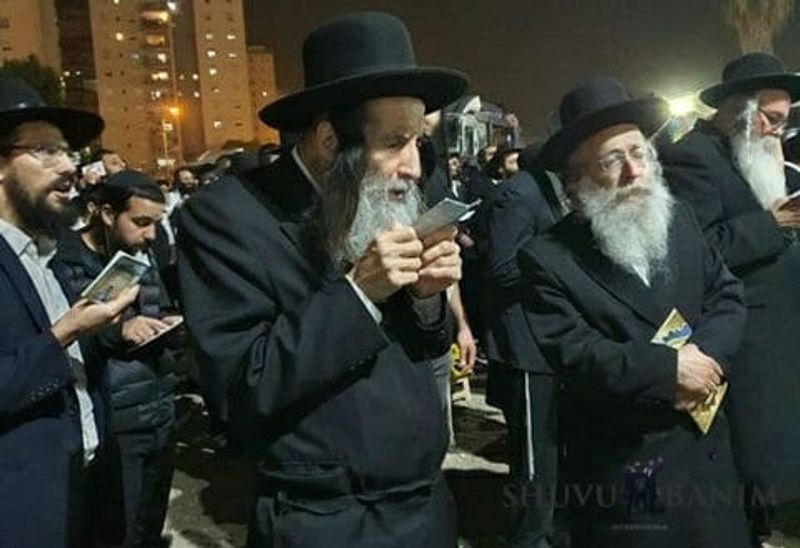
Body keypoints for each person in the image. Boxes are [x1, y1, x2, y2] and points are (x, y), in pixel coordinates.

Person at [177, 12, 468, 547]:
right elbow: (241, 389)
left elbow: (419, 350)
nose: (412, 167)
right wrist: (359, 293)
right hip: (325, 520)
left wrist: (428, 301)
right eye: (394, 142)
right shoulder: (227, 217)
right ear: (330, 140)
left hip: (425, 507)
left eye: (418, 142)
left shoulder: (386, 197)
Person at [518, 76, 750, 548]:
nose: (633, 172)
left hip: (709, 458)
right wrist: (669, 371)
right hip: (629, 473)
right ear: (578, 179)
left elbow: (726, 294)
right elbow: (576, 353)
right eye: (612, 160)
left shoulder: (679, 219)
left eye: (639, 153)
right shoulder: (547, 258)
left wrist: (706, 360)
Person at [660, 52, 800, 544]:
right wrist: (771, 225)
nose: (778, 131)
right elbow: (695, 250)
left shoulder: (759, 152)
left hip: (782, 335)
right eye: (772, 119)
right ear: (743, 111)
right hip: (746, 341)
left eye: (784, 120)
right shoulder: (692, 157)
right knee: (751, 457)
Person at [0, 76, 138, 546]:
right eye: (45, 151)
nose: (69, 167)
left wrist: (103, 329)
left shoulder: (51, 255)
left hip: (86, 493)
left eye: (68, 152)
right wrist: (66, 331)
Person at [56, 170, 178, 548]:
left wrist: (168, 322)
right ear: (107, 214)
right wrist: (119, 329)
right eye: (141, 222)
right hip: (114, 420)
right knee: (116, 528)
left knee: (150, 521)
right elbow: (64, 335)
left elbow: (160, 304)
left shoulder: (145, 254)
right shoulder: (65, 261)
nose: (152, 234)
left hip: (159, 407)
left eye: (156, 223)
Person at [484, 143, 563, 548]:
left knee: (551, 455)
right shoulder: (518, 195)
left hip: (552, 343)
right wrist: (564, 253)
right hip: (527, 347)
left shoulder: (548, 190)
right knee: (535, 462)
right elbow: (503, 267)